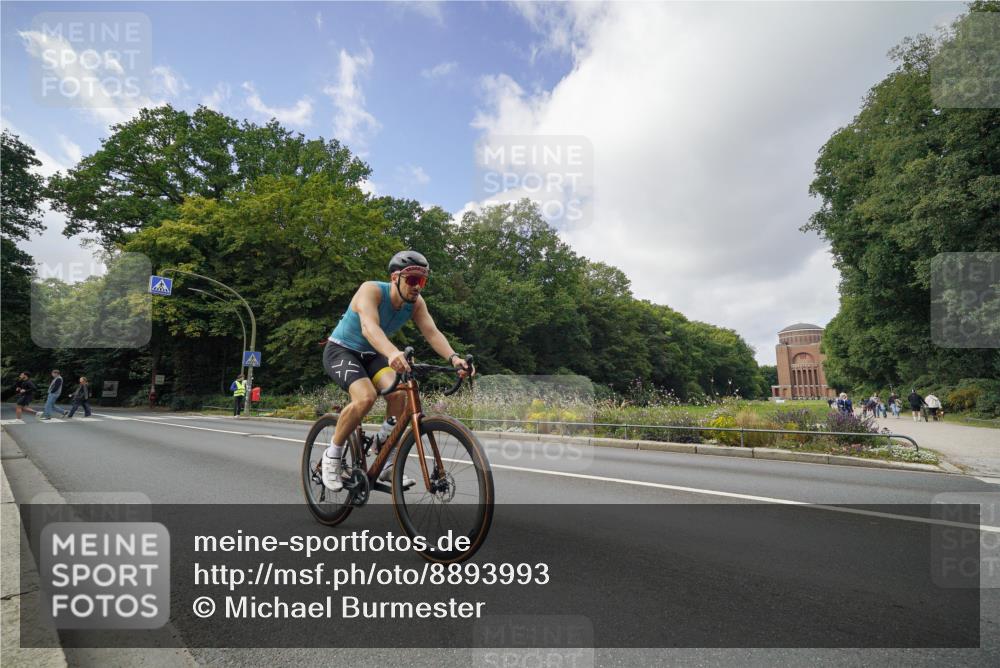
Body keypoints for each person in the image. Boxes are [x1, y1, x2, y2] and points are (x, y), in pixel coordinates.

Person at [321, 250, 472, 492]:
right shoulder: (371, 290)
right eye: (412, 279)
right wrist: (392, 353)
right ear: (395, 278)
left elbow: (432, 332)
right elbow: (369, 327)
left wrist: (454, 358)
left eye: (422, 281)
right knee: (366, 397)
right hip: (342, 350)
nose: (417, 286)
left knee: (399, 393)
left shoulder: (415, 304)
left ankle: (385, 452)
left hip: (372, 354)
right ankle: (332, 455)